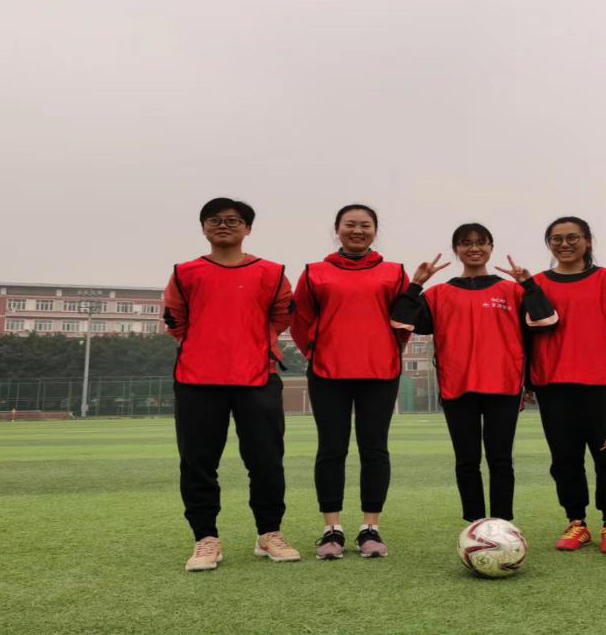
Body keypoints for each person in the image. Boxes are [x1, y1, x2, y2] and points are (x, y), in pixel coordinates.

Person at [163, 197, 299, 572]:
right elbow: (175, 321)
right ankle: (206, 538)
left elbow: (282, 317)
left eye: (233, 220)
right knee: (198, 463)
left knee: (266, 460)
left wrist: (251, 345)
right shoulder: (185, 273)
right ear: (204, 228)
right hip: (197, 379)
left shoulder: (272, 272)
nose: (223, 225)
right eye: (215, 220)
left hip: (258, 378)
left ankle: (269, 533)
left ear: (248, 228)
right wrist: (208, 345)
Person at [389, 223, 557, 523]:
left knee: (500, 460)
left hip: (503, 386)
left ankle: (502, 524)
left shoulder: (512, 290)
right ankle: (475, 525)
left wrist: (529, 285)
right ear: (456, 250)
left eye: (481, 242)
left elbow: (546, 320)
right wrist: (416, 284)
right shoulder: (438, 294)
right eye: (466, 243)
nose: (474, 248)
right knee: (467, 461)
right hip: (457, 387)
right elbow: (400, 322)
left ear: (491, 247)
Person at [291, 203, 409, 559]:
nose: (357, 231)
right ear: (337, 229)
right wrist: (320, 353)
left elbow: (403, 321)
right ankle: (332, 530)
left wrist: (386, 349)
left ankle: (370, 528)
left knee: (375, 449)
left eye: (365, 225)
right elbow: (300, 322)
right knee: (331, 449)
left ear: (375, 230)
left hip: (380, 373)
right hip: (328, 373)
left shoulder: (394, 273)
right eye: (350, 224)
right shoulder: (314, 272)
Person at [526, 216, 606, 554]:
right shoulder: (535, 285)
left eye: (572, 237)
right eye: (556, 239)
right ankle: (576, 522)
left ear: (588, 241)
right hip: (553, 383)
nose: (564, 244)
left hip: (602, 382)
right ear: (549, 244)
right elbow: (525, 338)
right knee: (564, 459)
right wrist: (526, 381)